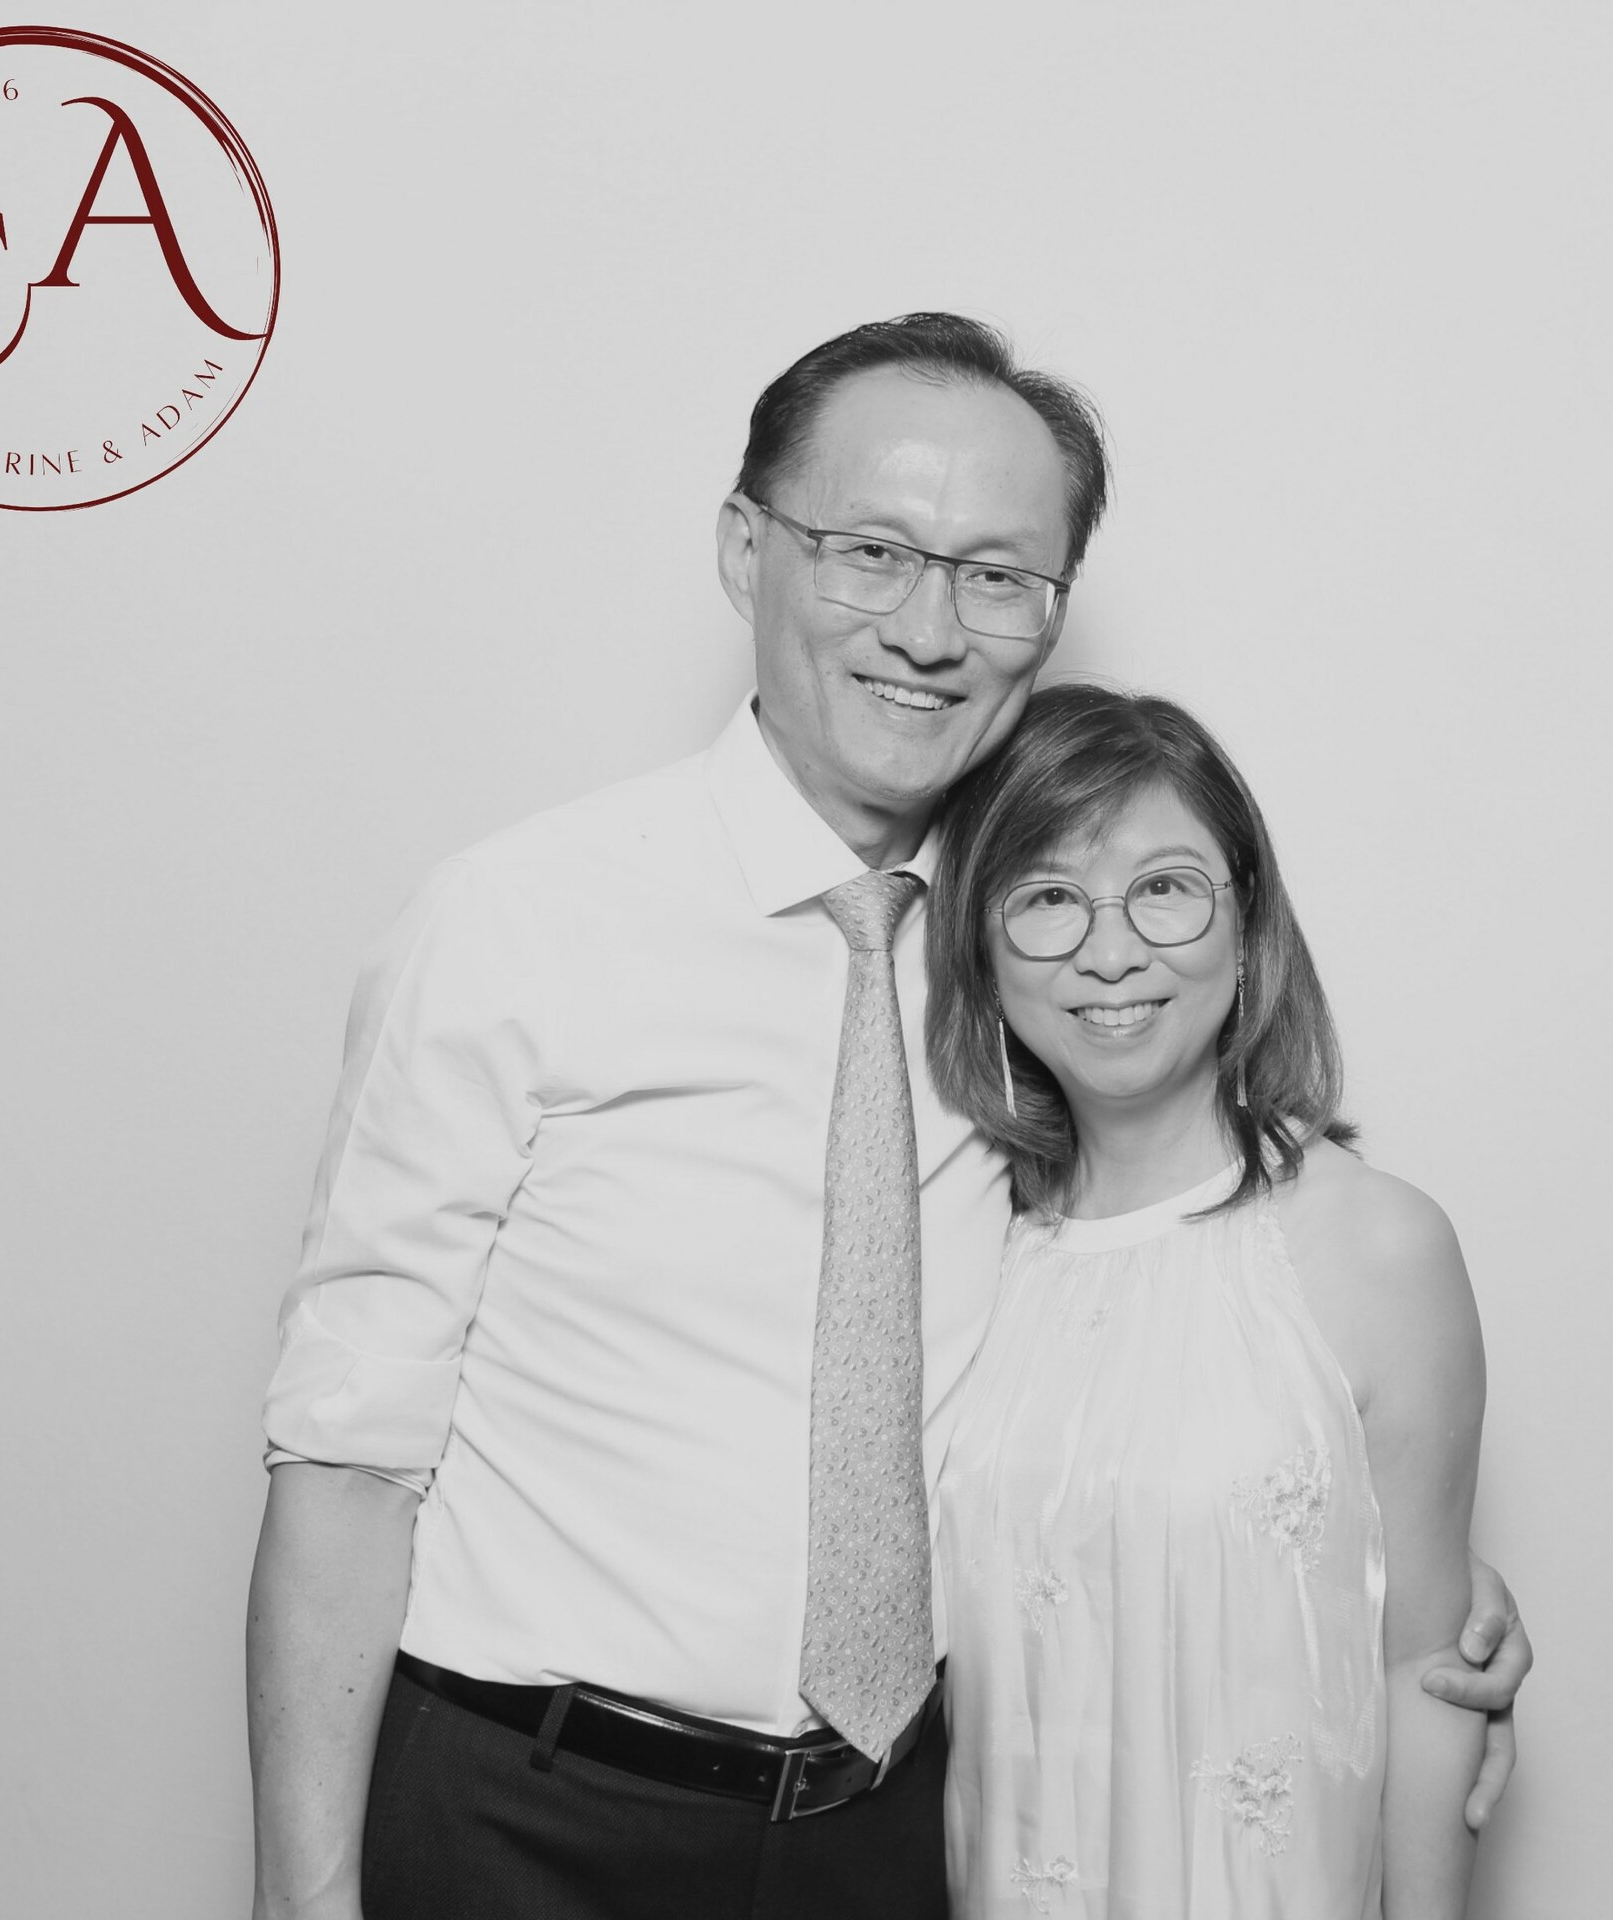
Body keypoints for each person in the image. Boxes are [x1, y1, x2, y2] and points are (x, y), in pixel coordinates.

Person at [245, 314, 1530, 1920]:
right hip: (535, 1810)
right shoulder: (515, 925)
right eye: (871, 552)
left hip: (900, 1835)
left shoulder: (1038, 959)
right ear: (746, 549)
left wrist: (1391, 1605)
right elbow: (348, 1455)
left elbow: (1172, 1355)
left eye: (998, 575)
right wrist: (302, 1898)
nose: (929, 629)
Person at [924, 685, 1486, 1917]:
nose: (1111, 952)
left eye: (1165, 888)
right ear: (980, 952)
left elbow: (1431, 1676)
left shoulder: (1376, 1245)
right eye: (1048, 898)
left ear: (1247, 922)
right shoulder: (966, 1249)